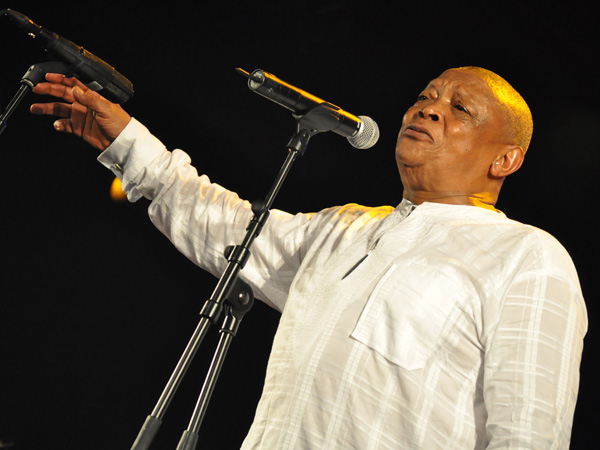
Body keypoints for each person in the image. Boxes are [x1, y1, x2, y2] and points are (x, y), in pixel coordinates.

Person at [30, 67, 587, 449]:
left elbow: (530, 432)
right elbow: (222, 226)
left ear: (506, 158)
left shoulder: (527, 256)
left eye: (459, 107)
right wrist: (127, 142)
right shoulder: (343, 228)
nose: (429, 109)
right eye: (425, 97)